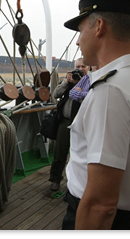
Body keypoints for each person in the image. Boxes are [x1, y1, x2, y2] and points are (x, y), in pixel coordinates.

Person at [62, 0, 130, 230]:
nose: (77, 40)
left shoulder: (110, 91)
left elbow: (101, 204)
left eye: (81, 29)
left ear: (99, 26)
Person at [49, 58, 89, 192]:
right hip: (65, 122)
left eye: (83, 66)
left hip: (82, 124)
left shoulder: (90, 83)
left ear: (88, 68)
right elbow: (55, 94)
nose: (81, 68)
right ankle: (55, 179)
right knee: (59, 152)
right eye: (78, 66)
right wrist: (67, 82)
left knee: (79, 155)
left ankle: (76, 184)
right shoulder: (69, 82)